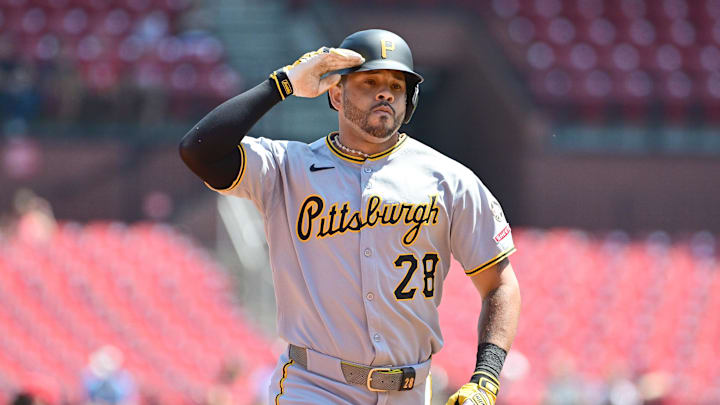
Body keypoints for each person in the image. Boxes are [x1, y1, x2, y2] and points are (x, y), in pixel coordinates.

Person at [179, 29, 521, 405]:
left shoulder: (450, 180)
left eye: (397, 84)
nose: (386, 92)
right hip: (315, 386)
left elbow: (500, 285)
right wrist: (286, 83)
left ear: (410, 100)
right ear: (337, 94)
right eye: (370, 80)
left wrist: (486, 378)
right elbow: (199, 151)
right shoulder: (287, 167)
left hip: (411, 390)